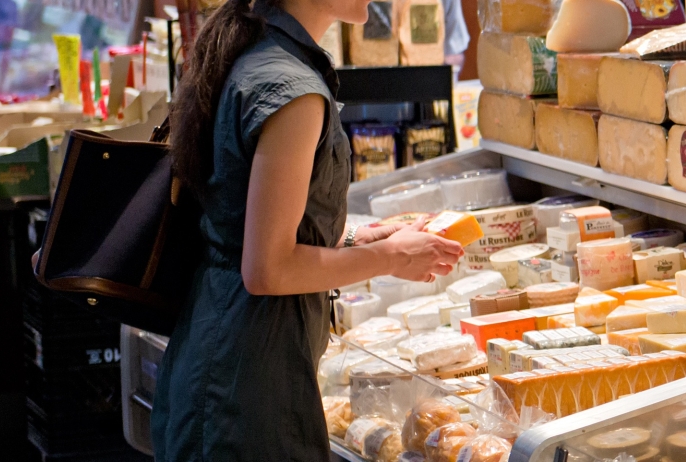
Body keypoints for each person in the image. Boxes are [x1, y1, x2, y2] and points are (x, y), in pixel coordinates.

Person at [150, 0, 464, 457]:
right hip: (246, 385)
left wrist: (358, 239)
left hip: (225, 357)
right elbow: (268, 269)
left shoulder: (259, 52)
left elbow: (251, 222)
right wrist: (393, 258)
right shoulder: (292, 89)